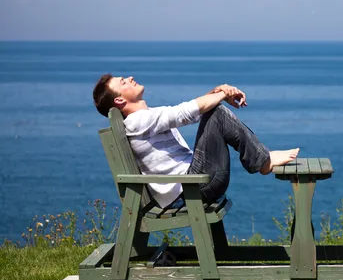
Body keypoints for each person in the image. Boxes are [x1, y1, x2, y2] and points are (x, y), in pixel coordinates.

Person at [92, 74, 299, 208]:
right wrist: (221, 95)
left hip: (193, 186)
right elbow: (186, 112)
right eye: (123, 82)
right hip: (193, 189)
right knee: (217, 112)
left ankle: (262, 159)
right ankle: (263, 162)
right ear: (119, 100)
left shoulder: (144, 118)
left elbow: (194, 112)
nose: (130, 78)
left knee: (215, 111)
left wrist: (218, 92)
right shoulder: (138, 121)